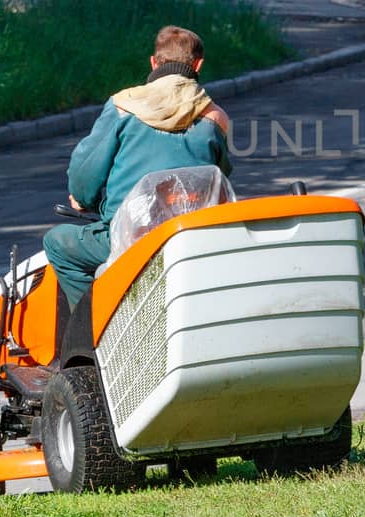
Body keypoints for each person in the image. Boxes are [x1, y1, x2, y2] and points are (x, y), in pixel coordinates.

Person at [43, 25, 232, 311]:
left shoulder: (123, 106)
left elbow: (85, 173)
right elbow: (218, 180)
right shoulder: (216, 118)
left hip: (129, 238)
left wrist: (82, 199)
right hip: (190, 238)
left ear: (154, 62)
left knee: (57, 243)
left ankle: (92, 329)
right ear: (198, 65)